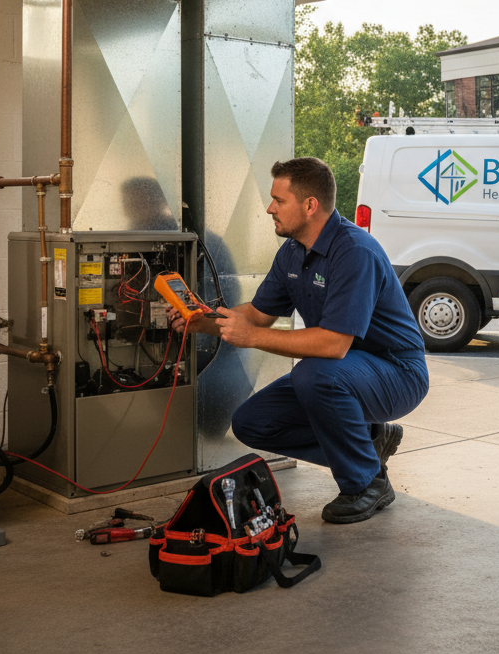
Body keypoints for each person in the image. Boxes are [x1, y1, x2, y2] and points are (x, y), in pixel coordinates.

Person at [170, 157, 429, 525]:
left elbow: (333, 345)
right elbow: (258, 315)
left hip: (397, 373)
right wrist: (201, 322)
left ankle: (367, 483)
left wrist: (254, 338)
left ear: (310, 205)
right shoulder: (293, 252)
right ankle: (368, 443)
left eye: (279, 200)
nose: (269, 208)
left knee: (314, 374)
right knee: (251, 423)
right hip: (340, 373)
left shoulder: (354, 252)